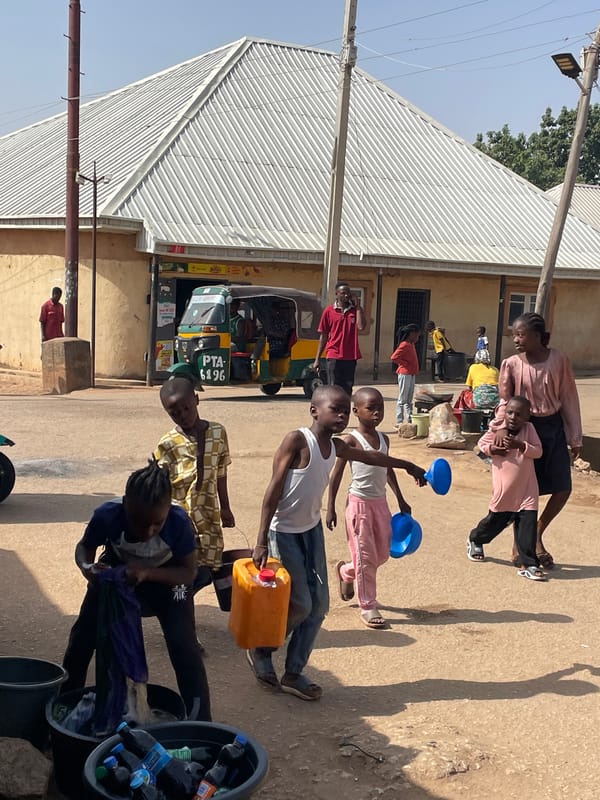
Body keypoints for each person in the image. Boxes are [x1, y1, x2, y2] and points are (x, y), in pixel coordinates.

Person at [247, 385, 426, 701]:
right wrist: (261, 539)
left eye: (346, 410)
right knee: (300, 603)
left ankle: (293, 672)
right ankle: (262, 651)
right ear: (315, 410)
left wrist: (407, 465)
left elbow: (371, 456)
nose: (343, 415)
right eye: (336, 409)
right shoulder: (298, 440)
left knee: (319, 607)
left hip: (310, 530)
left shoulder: (337, 446)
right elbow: (272, 491)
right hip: (284, 532)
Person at [61, 461, 211, 720]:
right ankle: (63, 705)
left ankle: (201, 722)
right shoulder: (107, 516)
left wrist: (146, 572)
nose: (147, 531)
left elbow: (188, 573)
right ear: (125, 504)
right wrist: (88, 568)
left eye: (156, 524)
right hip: (117, 580)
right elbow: (84, 547)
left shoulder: (178, 523)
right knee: (82, 638)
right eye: (138, 521)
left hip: (169, 584)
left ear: (167, 511)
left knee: (184, 647)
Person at [492, 312, 583, 570]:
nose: (516, 340)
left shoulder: (558, 360)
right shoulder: (511, 364)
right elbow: (504, 402)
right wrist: (500, 428)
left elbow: (568, 398)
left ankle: (535, 534)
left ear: (537, 336)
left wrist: (574, 436)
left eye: (521, 335)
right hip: (524, 431)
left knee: (562, 486)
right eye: (513, 335)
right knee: (525, 493)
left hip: (553, 430)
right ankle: (521, 547)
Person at [326, 388, 413, 628]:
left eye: (380, 408)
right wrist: (331, 506)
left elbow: (388, 469)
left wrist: (401, 499)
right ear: (356, 411)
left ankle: (346, 571)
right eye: (370, 408)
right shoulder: (351, 440)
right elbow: (337, 474)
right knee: (366, 558)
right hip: (359, 506)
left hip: (380, 504)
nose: (376, 413)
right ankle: (368, 605)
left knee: (382, 553)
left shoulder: (385, 439)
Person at [155, 377, 235, 590]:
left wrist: (225, 508)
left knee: (208, 569)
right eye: (175, 413)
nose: (182, 416)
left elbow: (221, 473)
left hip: (208, 514)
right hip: (180, 517)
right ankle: (182, 610)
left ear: (196, 400)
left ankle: (183, 603)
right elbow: (160, 486)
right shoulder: (168, 444)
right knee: (185, 567)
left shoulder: (218, 433)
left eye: (186, 408)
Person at [467, 396, 546, 581]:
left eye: (519, 415)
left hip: (527, 490)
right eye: (510, 412)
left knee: (527, 526)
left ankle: (530, 564)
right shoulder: (496, 429)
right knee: (495, 522)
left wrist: (521, 445)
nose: (513, 417)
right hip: (505, 491)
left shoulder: (529, 429)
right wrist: (494, 449)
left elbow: (538, 451)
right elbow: (481, 444)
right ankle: (476, 539)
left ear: (527, 417)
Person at [313, 282, 365, 396]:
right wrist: (317, 359)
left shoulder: (355, 311)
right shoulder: (329, 311)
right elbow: (324, 336)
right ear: (336, 294)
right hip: (334, 355)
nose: (346, 295)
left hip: (350, 356)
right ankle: (334, 412)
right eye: (343, 293)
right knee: (334, 388)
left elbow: (361, 326)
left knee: (347, 388)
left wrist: (358, 306)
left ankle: (344, 412)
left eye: (348, 293)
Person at [390, 324, 421, 427]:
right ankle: (399, 421)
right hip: (405, 373)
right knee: (402, 398)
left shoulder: (412, 345)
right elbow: (394, 357)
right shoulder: (404, 344)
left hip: (412, 373)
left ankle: (410, 419)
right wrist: (404, 363)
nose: (417, 338)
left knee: (409, 398)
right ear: (411, 334)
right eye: (416, 336)